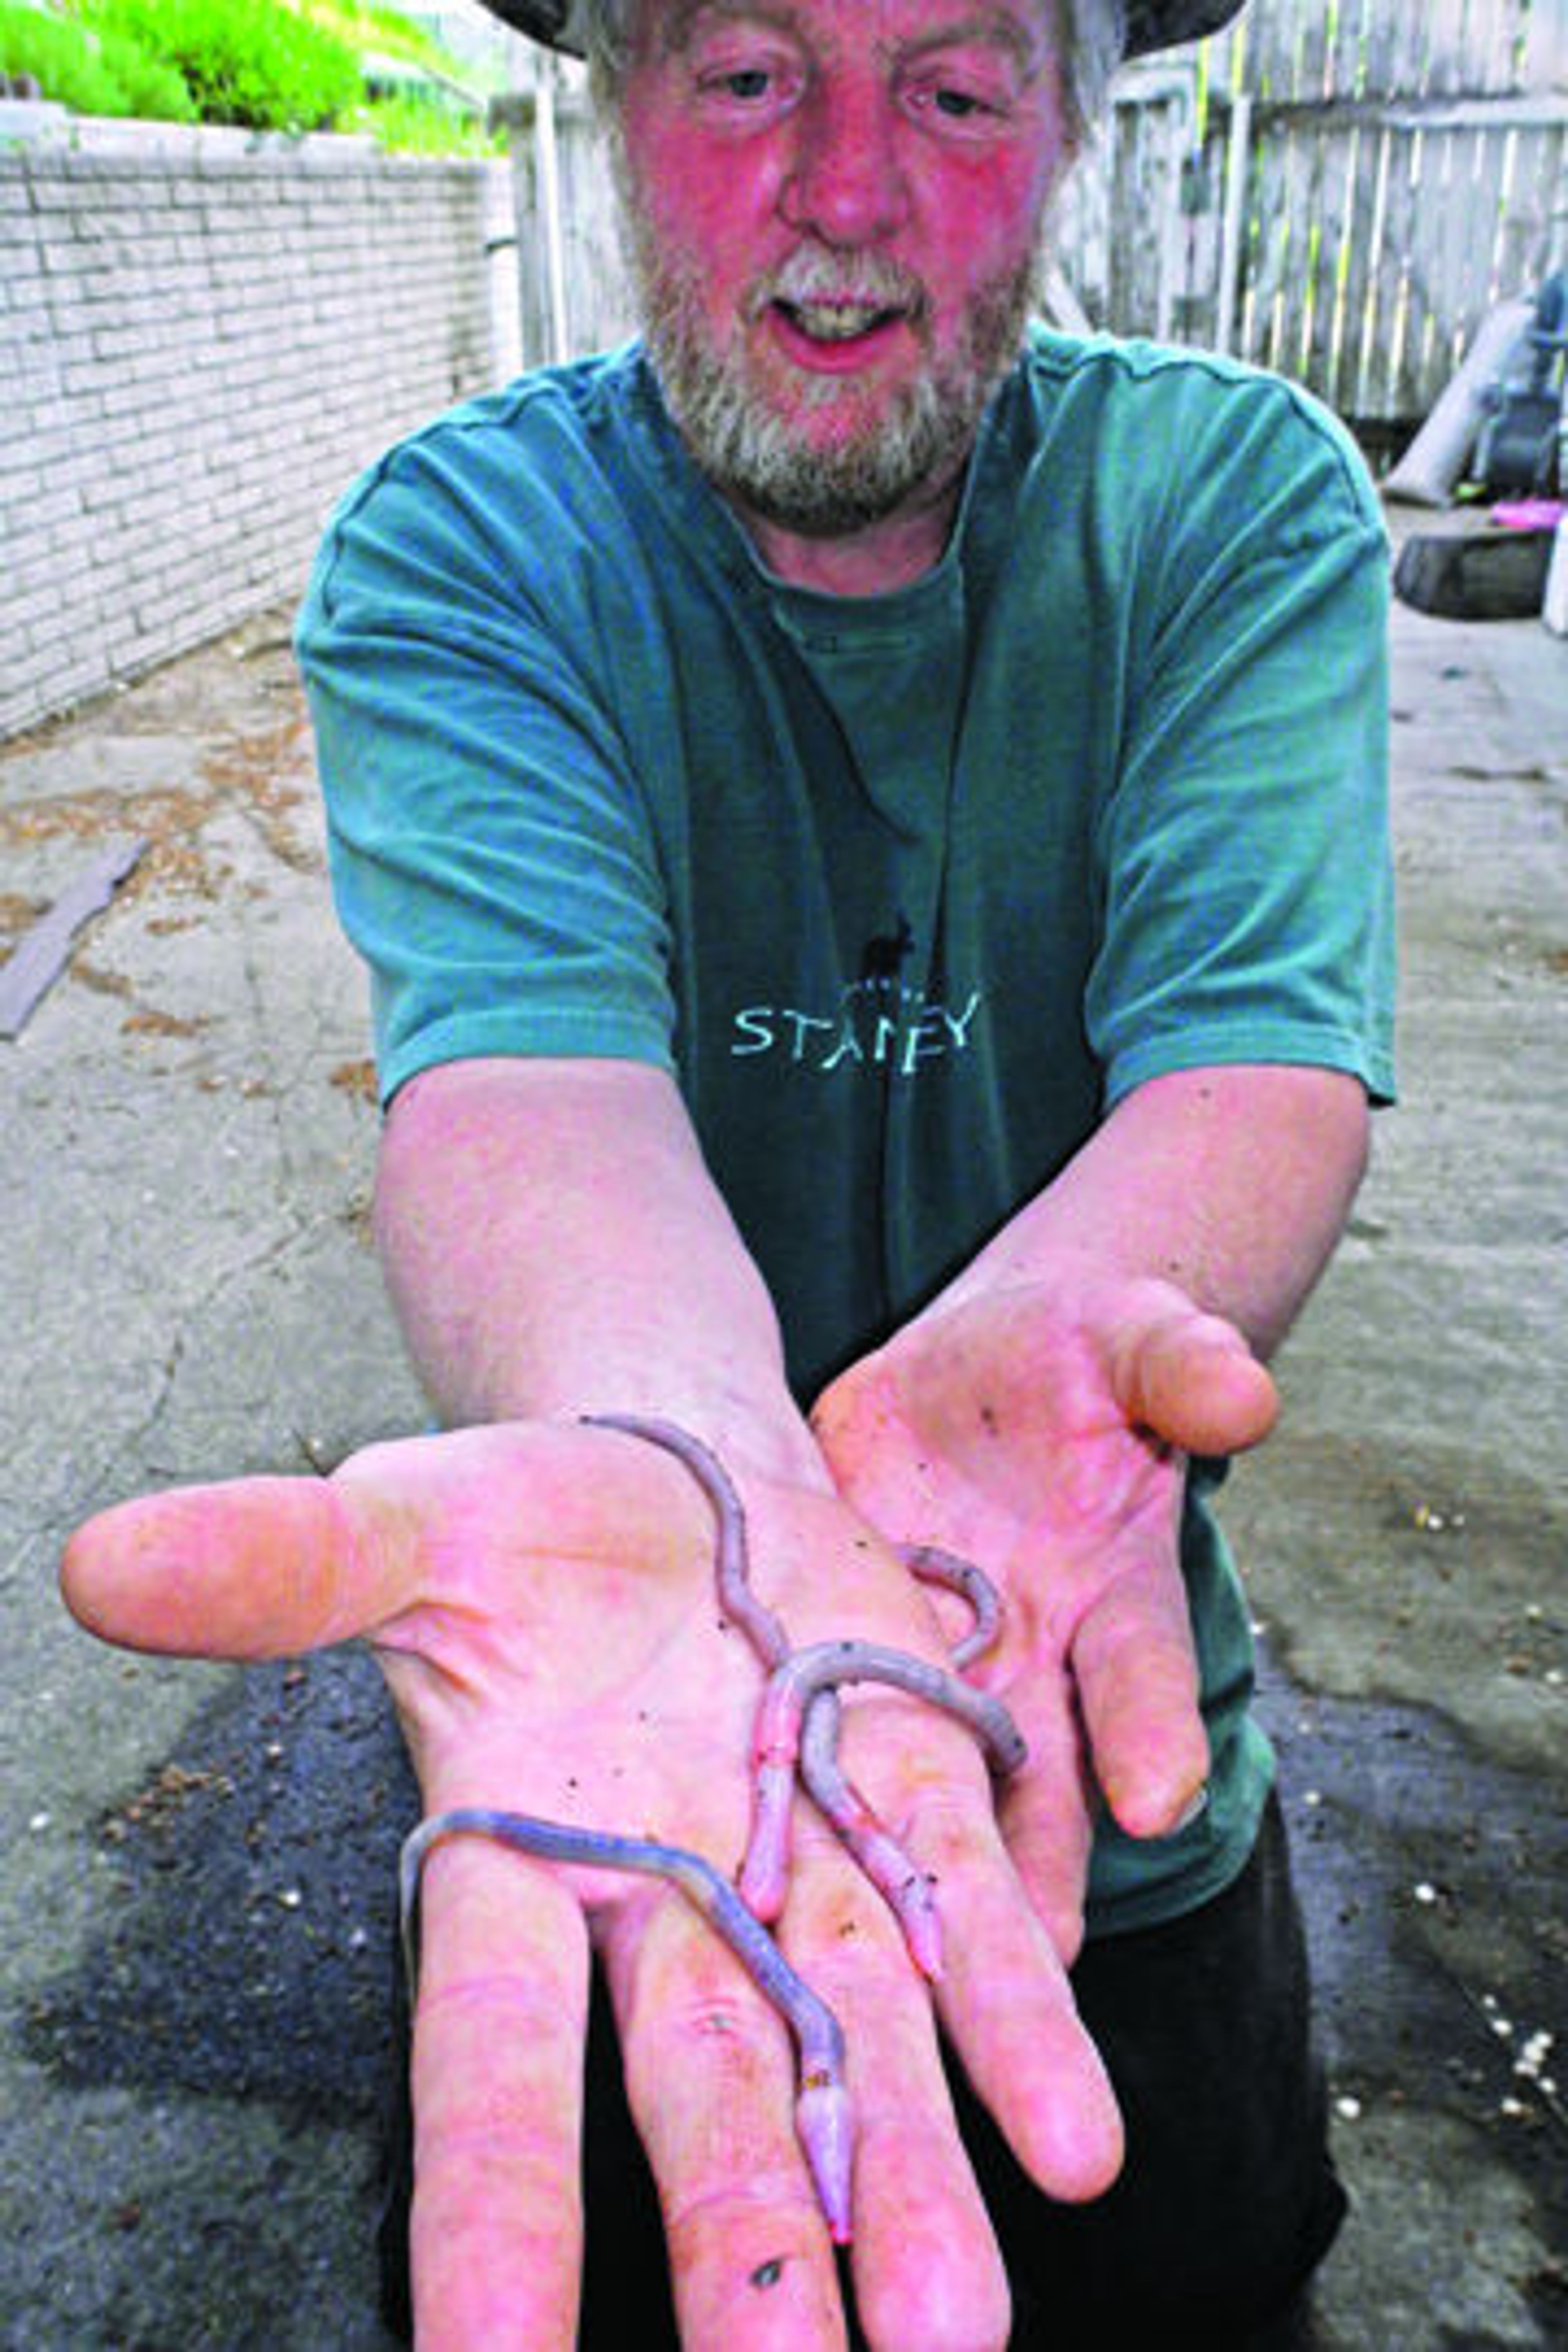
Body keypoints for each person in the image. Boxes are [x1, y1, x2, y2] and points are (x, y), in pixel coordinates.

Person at [60, 0, 1396, 2345]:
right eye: (749, 70)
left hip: (1125, 1812)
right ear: (611, 113)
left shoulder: (1233, 504)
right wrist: (677, 1457)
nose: (851, 187)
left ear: (1076, 131)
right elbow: (529, 1094)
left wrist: (1063, 1328)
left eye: (960, 86)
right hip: (634, 1823)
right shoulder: (473, 549)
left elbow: (1257, 1060)